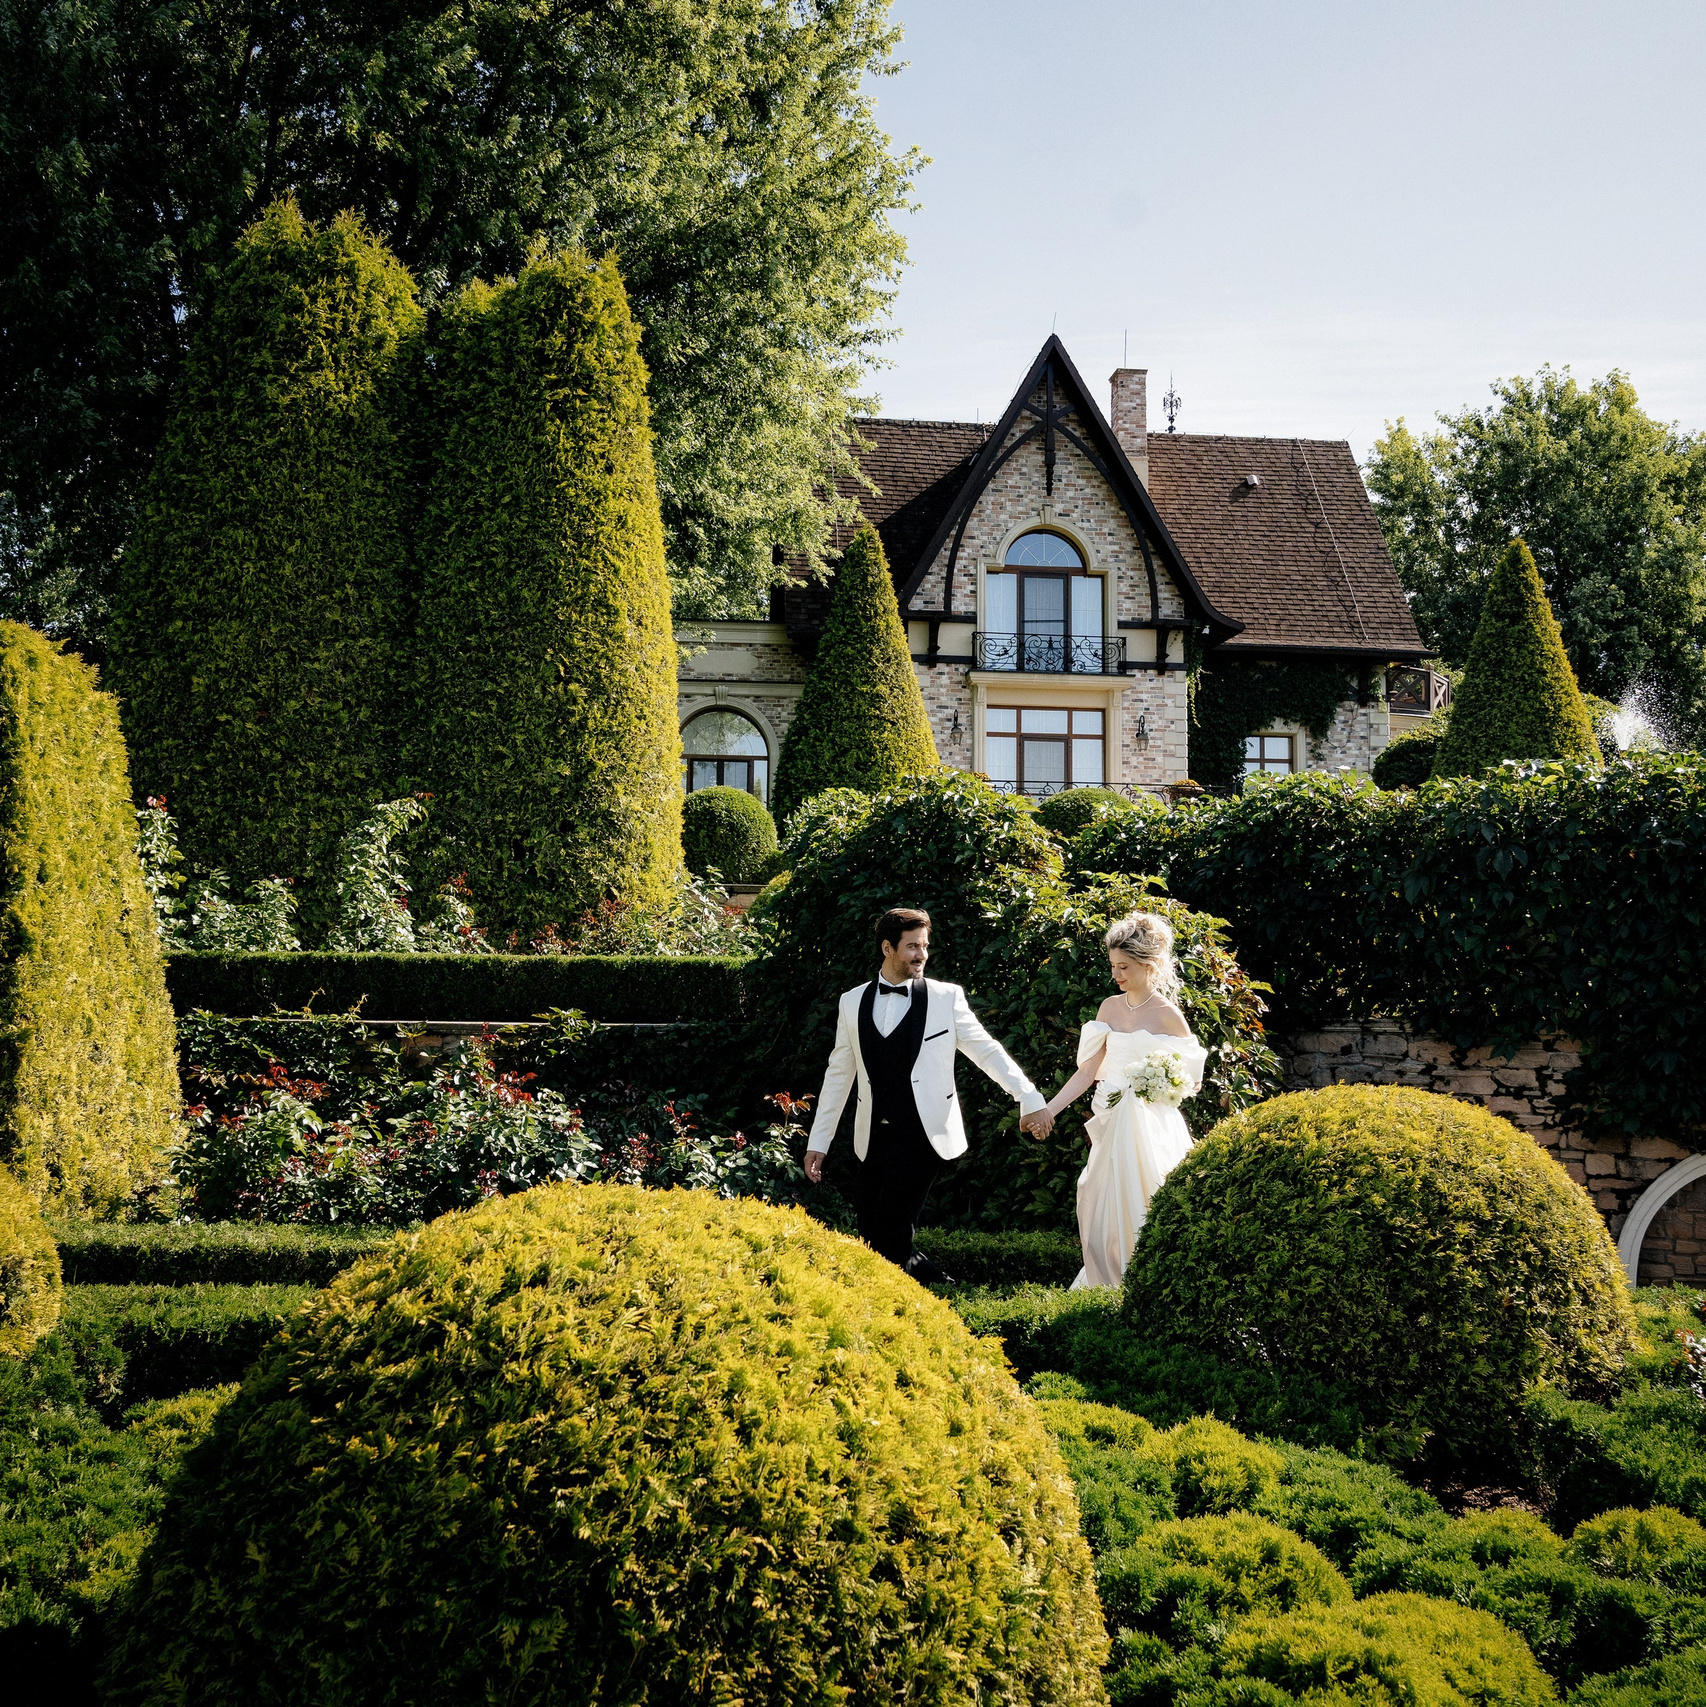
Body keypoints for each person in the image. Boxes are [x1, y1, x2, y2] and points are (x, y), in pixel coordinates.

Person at [804, 906, 1051, 1282]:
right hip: (871, 1137)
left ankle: (899, 1309)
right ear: (888, 948)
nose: (922, 955)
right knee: (872, 1233)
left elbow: (988, 1052)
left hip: (924, 1134)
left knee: (892, 1229)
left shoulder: (945, 998)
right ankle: (939, 1285)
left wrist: (1028, 1097)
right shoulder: (851, 1001)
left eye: (925, 946)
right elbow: (838, 1075)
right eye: (912, 947)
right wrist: (819, 1141)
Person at [1035, 911, 1208, 1289]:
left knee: (1146, 1197)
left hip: (1148, 1125)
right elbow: (1087, 1071)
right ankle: (1107, 1281)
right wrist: (1049, 1109)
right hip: (1109, 1117)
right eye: (1113, 965)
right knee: (1095, 1198)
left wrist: (1160, 1085)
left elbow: (1189, 1082)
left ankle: (1148, 1282)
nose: (1117, 974)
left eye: (1124, 966)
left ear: (1150, 964)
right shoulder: (1109, 1009)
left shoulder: (1168, 1016)